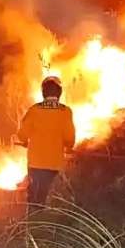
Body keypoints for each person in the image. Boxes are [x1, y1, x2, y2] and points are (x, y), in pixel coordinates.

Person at [17, 76, 76, 213]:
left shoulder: (34, 110)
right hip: (54, 164)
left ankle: (33, 220)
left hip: (35, 163)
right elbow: (70, 139)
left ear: (43, 93)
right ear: (59, 93)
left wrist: (25, 141)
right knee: (47, 194)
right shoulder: (65, 112)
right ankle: (45, 221)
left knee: (34, 195)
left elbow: (22, 134)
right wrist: (67, 146)